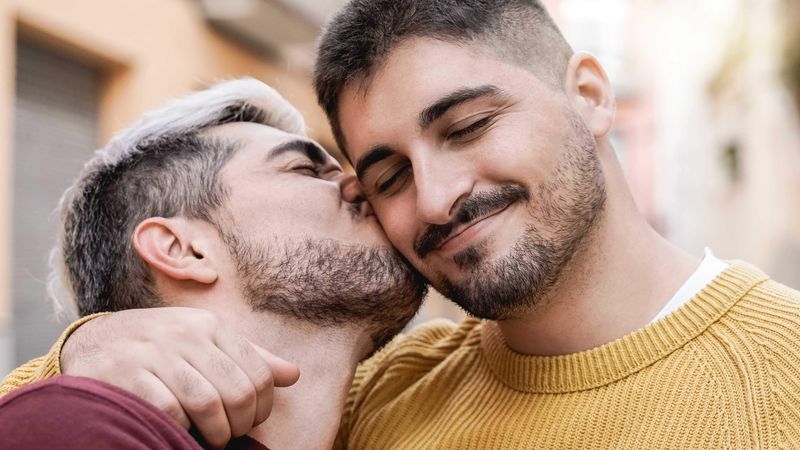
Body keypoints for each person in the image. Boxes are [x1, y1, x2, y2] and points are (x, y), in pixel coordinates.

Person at [6, 0, 800, 448]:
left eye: (468, 126)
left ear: (590, 94)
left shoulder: (780, 373)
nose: (435, 197)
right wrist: (91, 348)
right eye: (385, 174)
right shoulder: (386, 390)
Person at [0, 78, 427, 450]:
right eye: (306, 169)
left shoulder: (418, 396)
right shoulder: (73, 426)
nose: (363, 185)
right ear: (182, 249)